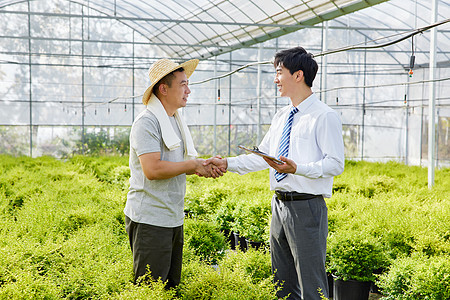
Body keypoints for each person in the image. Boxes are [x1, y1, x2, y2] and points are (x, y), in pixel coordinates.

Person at [205, 47, 345, 300]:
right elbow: (264, 156)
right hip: (279, 206)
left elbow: (335, 164)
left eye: (279, 72)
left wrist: (297, 169)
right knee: (282, 284)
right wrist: (227, 163)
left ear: (298, 75)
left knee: (312, 285)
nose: (275, 79)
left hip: (307, 208)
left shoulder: (324, 116)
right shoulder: (282, 116)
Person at [124, 58, 223, 288]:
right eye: (183, 84)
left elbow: (179, 163)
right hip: (150, 219)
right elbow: (153, 169)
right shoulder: (147, 122)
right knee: (152, 289)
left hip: (171, 217)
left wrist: (203, 165)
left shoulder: (174, 120)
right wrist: (193, 165)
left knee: (171, 287)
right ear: (163, 88)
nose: (188, 90)